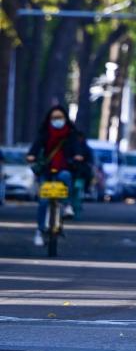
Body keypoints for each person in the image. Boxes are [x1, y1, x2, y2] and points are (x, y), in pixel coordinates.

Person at [26, 105, 84, 246]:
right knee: (43, 201)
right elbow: (35, 148)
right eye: (54, 118)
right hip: (46, 171)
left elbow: (77, 149)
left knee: (66, 176)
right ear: (49, 119)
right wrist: (31, 155)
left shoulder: (71, 134)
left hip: (63, 168)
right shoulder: (44, 133)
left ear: (65, 118)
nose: (57, 120)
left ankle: (67, 205)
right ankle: (40, 231)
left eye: (60, 117)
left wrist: (78, 156)